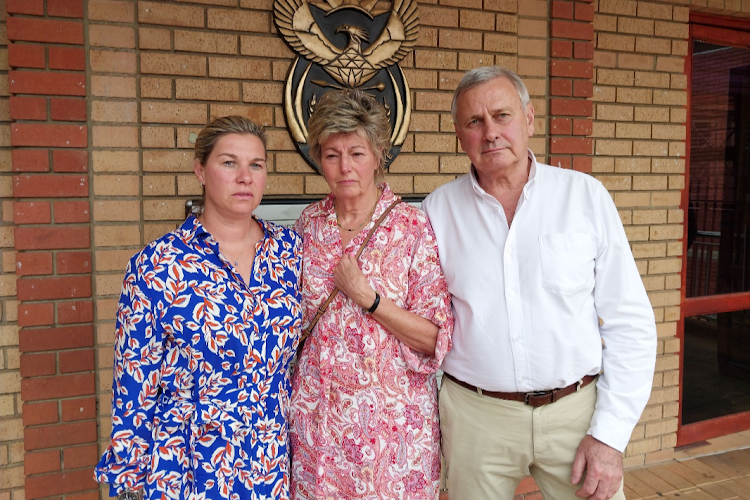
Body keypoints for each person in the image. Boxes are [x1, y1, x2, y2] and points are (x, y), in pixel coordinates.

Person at [422, 66, 657, 500]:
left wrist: (610, 436)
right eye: (475, 122)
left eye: (502, 115)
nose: (491, 132)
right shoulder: (436, 212)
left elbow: (630, 322)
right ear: (460, 135)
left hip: (576, 414)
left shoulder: (584, 197)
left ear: (529, 119)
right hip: (476, 418)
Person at [94, 116, 302, 500]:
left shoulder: (291, 252)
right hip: (187, 465)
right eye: (229, 162)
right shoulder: (158, 265)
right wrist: (127, 484)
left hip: (269, 460)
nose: (245, 176)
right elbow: (134, 385)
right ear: (200, 171)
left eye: (256, 165)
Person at [289, 89, 453, 500]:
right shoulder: (309, 224)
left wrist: (370, 299)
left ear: (378, 154)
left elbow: (435, 337)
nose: (345, 167)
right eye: (332, 154)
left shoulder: (411, 228)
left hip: (392, 431)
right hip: (318, 422)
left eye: (357, 153)